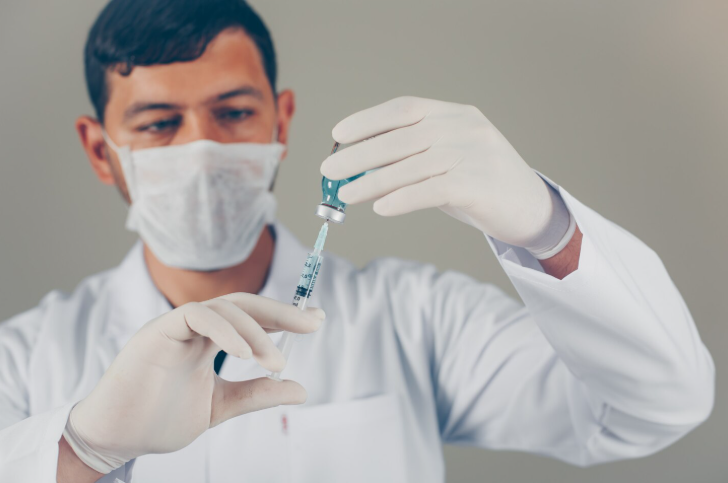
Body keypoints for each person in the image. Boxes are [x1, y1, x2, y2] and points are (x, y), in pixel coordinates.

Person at [0, 0, 715, 482]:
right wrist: (83, 447)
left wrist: (546, 227)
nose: (202, 150)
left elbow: (655, 408)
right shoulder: (24, 359)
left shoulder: (415, 316)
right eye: (159, 123)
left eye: (233, 112)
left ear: (281, 122)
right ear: (99, 150)